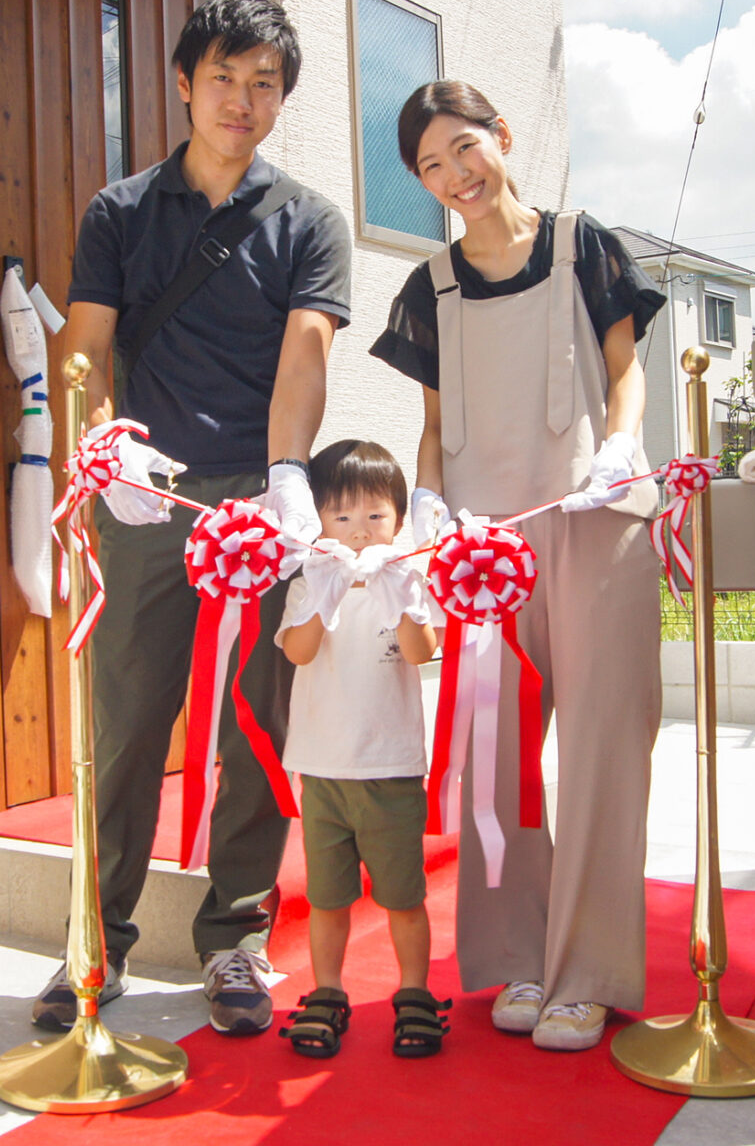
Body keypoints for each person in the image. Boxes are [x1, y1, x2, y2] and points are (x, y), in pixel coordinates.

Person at [34, 0, 352, 1036]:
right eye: (224, 76)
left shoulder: (308, 217)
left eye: (265, 83)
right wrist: (104, 444)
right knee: (126, 718)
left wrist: (288, 475)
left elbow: (307, 350)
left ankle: (237, 941)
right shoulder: (120, 211)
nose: (242, 100)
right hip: (146, 495)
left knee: (257, 721)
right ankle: (97, 935)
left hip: (261, 498)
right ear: (181, 81)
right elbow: (82, 344)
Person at [369, 80, 664, 1052]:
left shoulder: (587, 244)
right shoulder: (432, 287)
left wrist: (621, 447)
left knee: (603, 750)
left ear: (500, 136)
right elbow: (435, 431)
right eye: (431, 167)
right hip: (486, 550)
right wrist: (427, 507)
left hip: (593, 518)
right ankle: (518, 960)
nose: (456, 176)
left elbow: (625, 369)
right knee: (495, 761)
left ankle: (590, 971)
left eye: (465, 149)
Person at [272, 440, 446, 1058]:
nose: (358, 532)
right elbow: (297, 651)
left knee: (403, 896)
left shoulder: (408, 579)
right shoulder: (310, 580)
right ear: (318, 521)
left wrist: (400, 591)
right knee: (326, 898)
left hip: (391, 768)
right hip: (322, 770)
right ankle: (326, 991)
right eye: (341, 518)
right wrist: (326, 592)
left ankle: (416, 993)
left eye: (375, 516)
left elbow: (423, 651)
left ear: (399, 520)